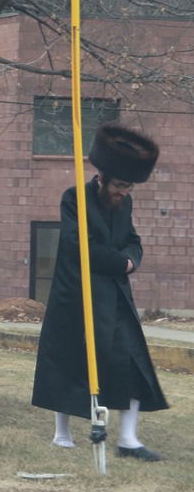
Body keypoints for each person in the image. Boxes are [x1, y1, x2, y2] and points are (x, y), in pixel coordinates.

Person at [32, 123, 167, 460]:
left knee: (131, 362)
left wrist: (131, 261)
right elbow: (79, 245)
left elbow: (132, 240)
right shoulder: (74, 197)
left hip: (115, 297)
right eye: (120, 185)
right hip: (76, 294)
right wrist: (120, 262)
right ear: (103, 178)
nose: (123, 192)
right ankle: (62, 433)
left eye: (129, 187)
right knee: (69, 361)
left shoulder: (125, 203)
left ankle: (128, 440)